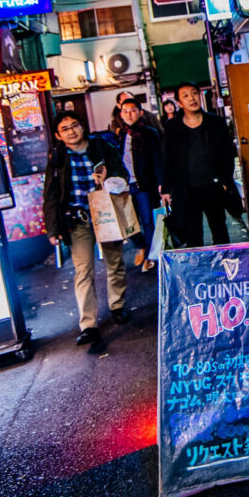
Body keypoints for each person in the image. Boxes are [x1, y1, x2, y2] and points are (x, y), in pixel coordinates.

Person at [42, 111, 131, 346]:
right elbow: (50, 195)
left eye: (75, 125)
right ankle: (88, 325)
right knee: (83, 271)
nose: (71, 131)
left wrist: (108, 176)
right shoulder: (57, 158)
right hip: (77, 221)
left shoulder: (102, 147)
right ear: (58, 136)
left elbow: (123, 175)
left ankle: (118, 306)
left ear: (83, 127)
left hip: (106, 216)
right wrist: (53, 229)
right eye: (65, 129)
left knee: (115, 262)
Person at [161, 82, 238, 247]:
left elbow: (227, 154)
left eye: (194, 93)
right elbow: (168, 158)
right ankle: (200, 269)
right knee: (193, 234)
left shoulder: (215, 122)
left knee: (219, 229)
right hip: (187, 189)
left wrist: (225, 181)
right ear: (180, 103)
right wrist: (166, 189)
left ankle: (225, 265)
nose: (192, 98)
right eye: (186, 96)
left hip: (213, 185)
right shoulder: (172, 127)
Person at [118, 97, 161, 272]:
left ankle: (151, 257)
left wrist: (161, 183)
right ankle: (142, 246)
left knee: (148, 221)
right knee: (128, 224)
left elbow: (158, 158)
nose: (129, 114)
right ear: (121, 114)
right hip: (125, 187)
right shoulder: (120, 135)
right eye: (126, 111)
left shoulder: (150, 133)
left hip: (144, 185)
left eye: (133, 110)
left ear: (140, 112)